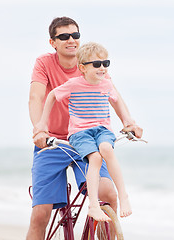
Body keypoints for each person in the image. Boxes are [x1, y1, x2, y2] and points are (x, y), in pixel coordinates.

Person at [27, 17, 142, 239]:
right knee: (40, 213)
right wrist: (39, 129)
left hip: (86, 140)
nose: (71, 40)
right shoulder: (44, 63)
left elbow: (113, 96)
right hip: (53, 143)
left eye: (75, 35)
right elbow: (36, 97)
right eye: (64, 36)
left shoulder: (93, 63)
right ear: (53, 42)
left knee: (108, 194)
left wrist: (129, 122)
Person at [36, 42, 135, 221]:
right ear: (82, 68)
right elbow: (51, 96)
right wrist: (42, 123)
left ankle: (123, 195)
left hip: (102, 130)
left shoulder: (107, 84)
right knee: (95, 158)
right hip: (80, 133)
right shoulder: (74, 84)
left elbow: (117, 101)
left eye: (106, 63)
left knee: (107, 149)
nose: (102, 68)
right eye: (97, 64)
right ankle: (94, 206)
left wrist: (129, 122)